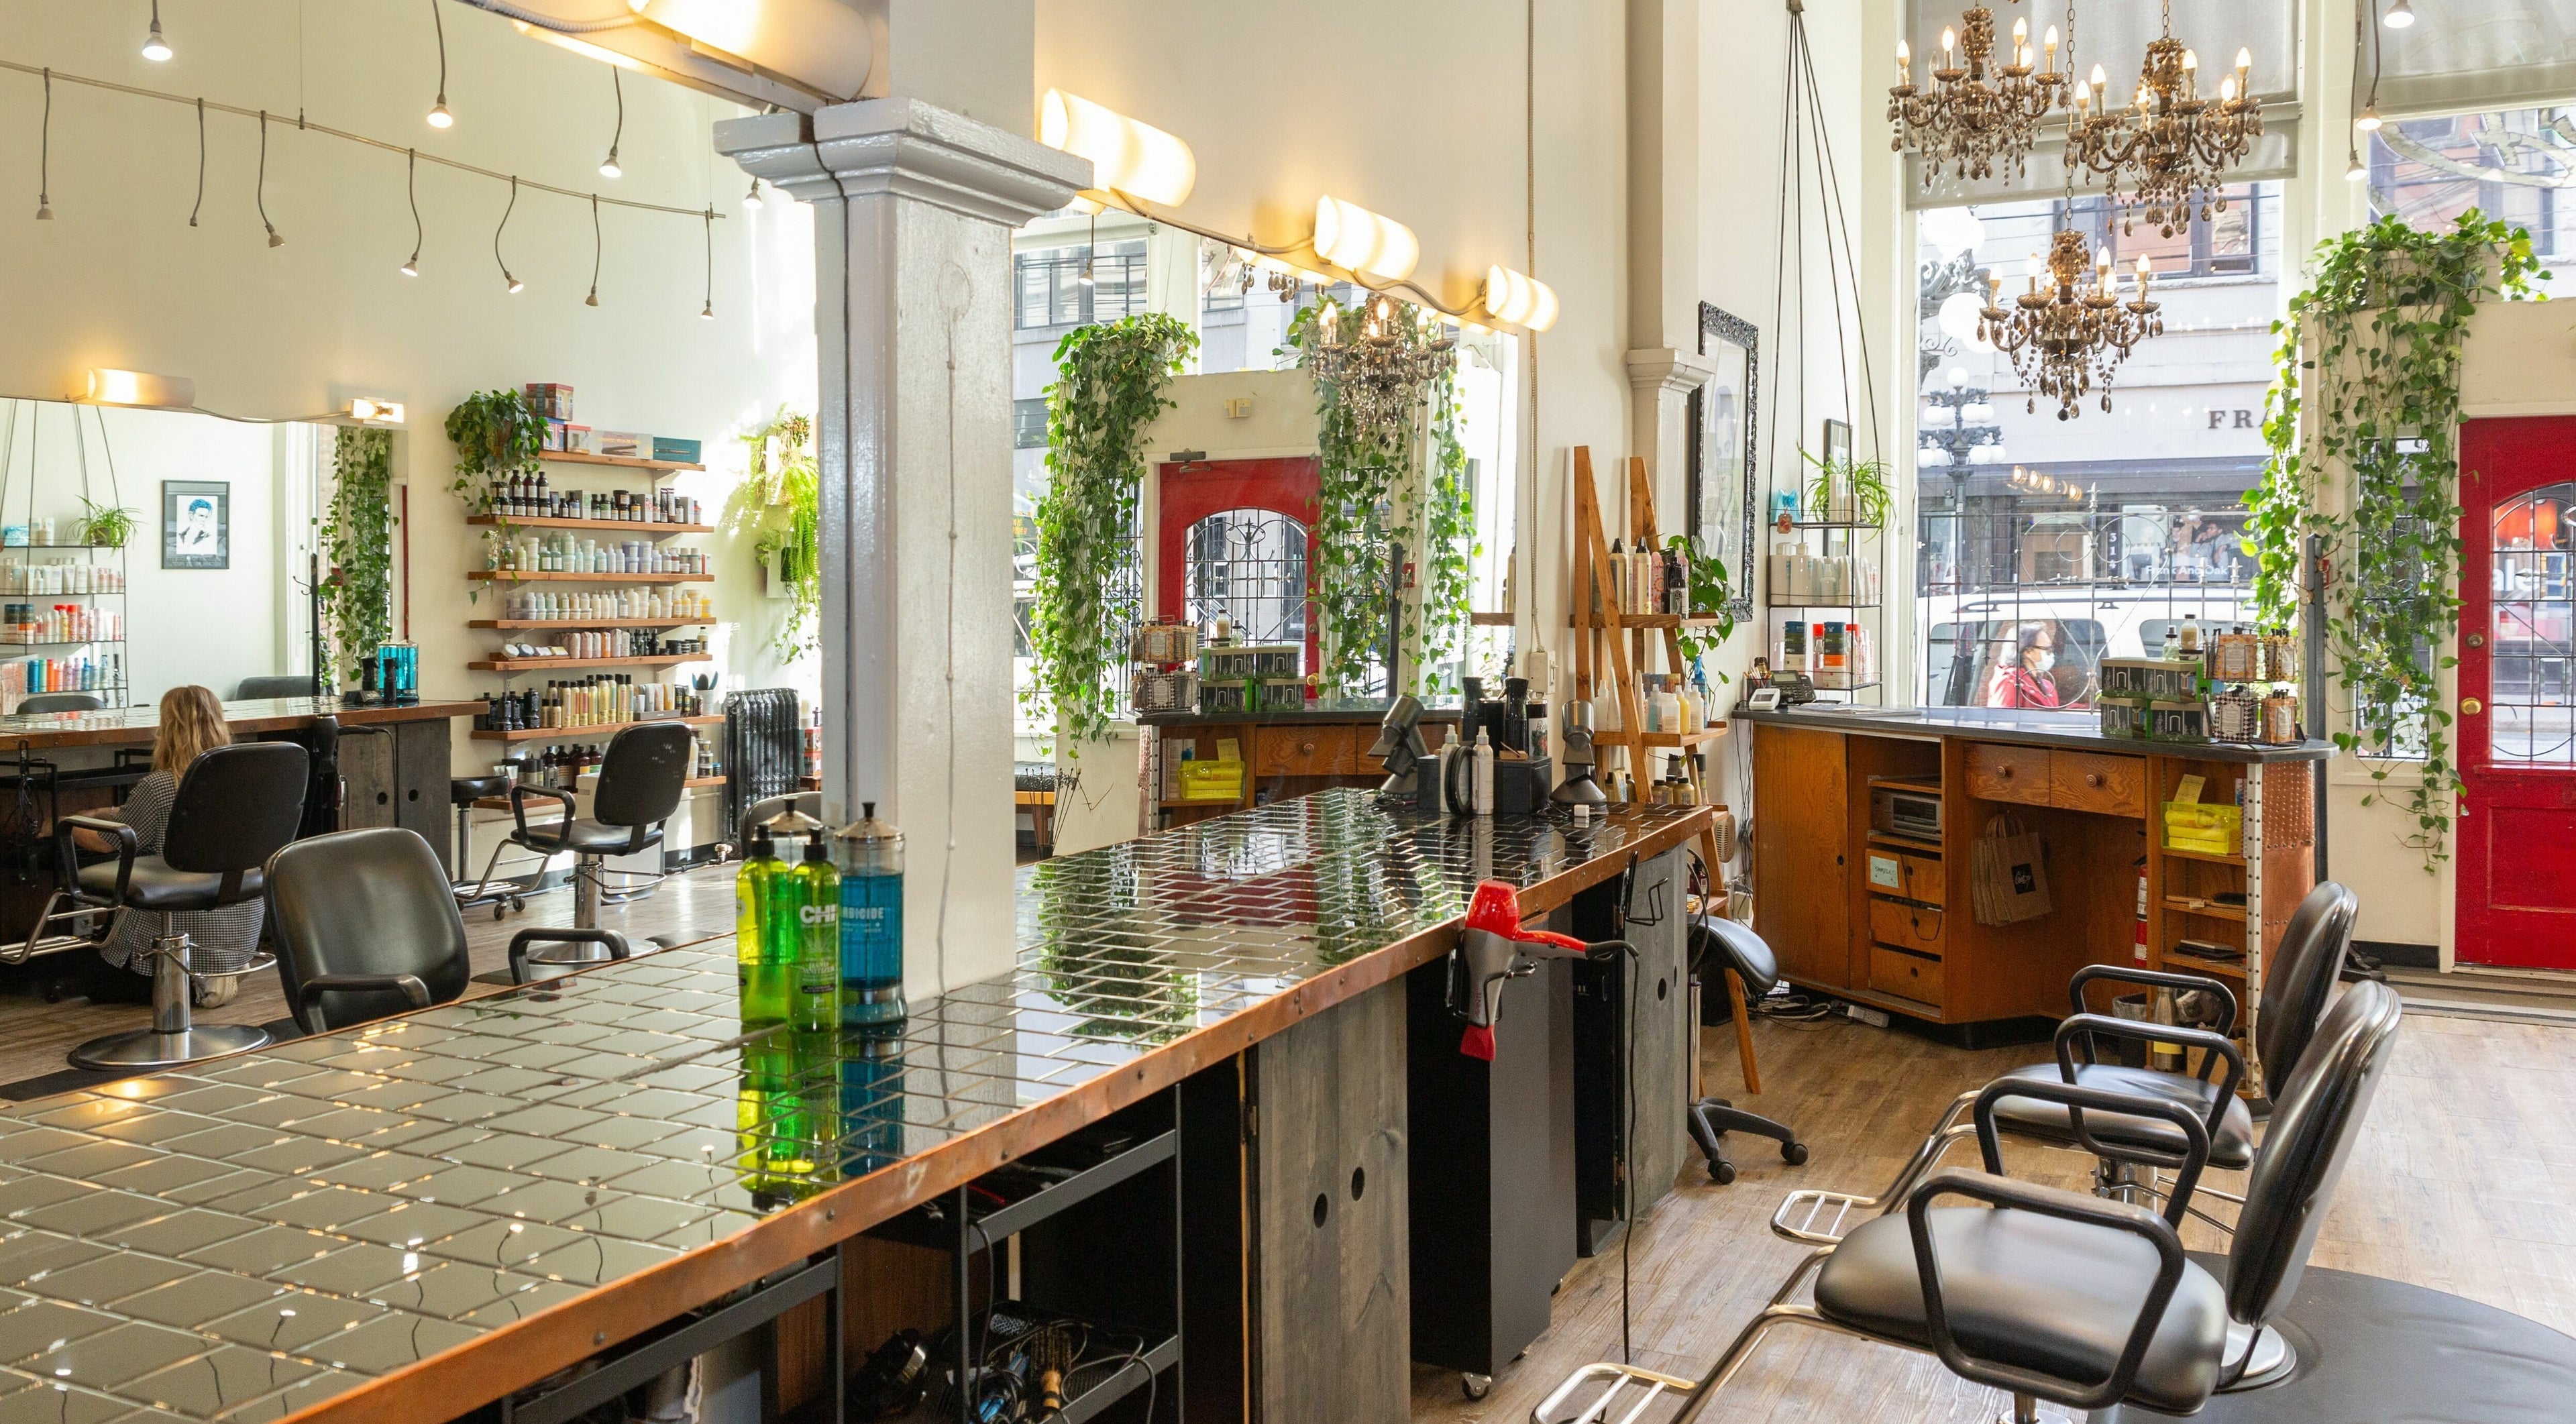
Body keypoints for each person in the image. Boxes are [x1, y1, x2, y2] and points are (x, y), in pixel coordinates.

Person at [71, 686, 260, 1007]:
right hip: (236, 939)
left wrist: (68, 824)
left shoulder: (159, 785)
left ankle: (178, 987)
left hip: (175, 939)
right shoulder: (248, 782)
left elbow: (106, 842)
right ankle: (212, 979)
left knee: (89, 977)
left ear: (167, 731)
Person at [1992, 625, 2063, 710]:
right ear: (2028, 652)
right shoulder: (2010, 681)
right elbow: (2002, 716)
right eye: (2047, 649)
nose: (2051, 654)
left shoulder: (2046, 685)